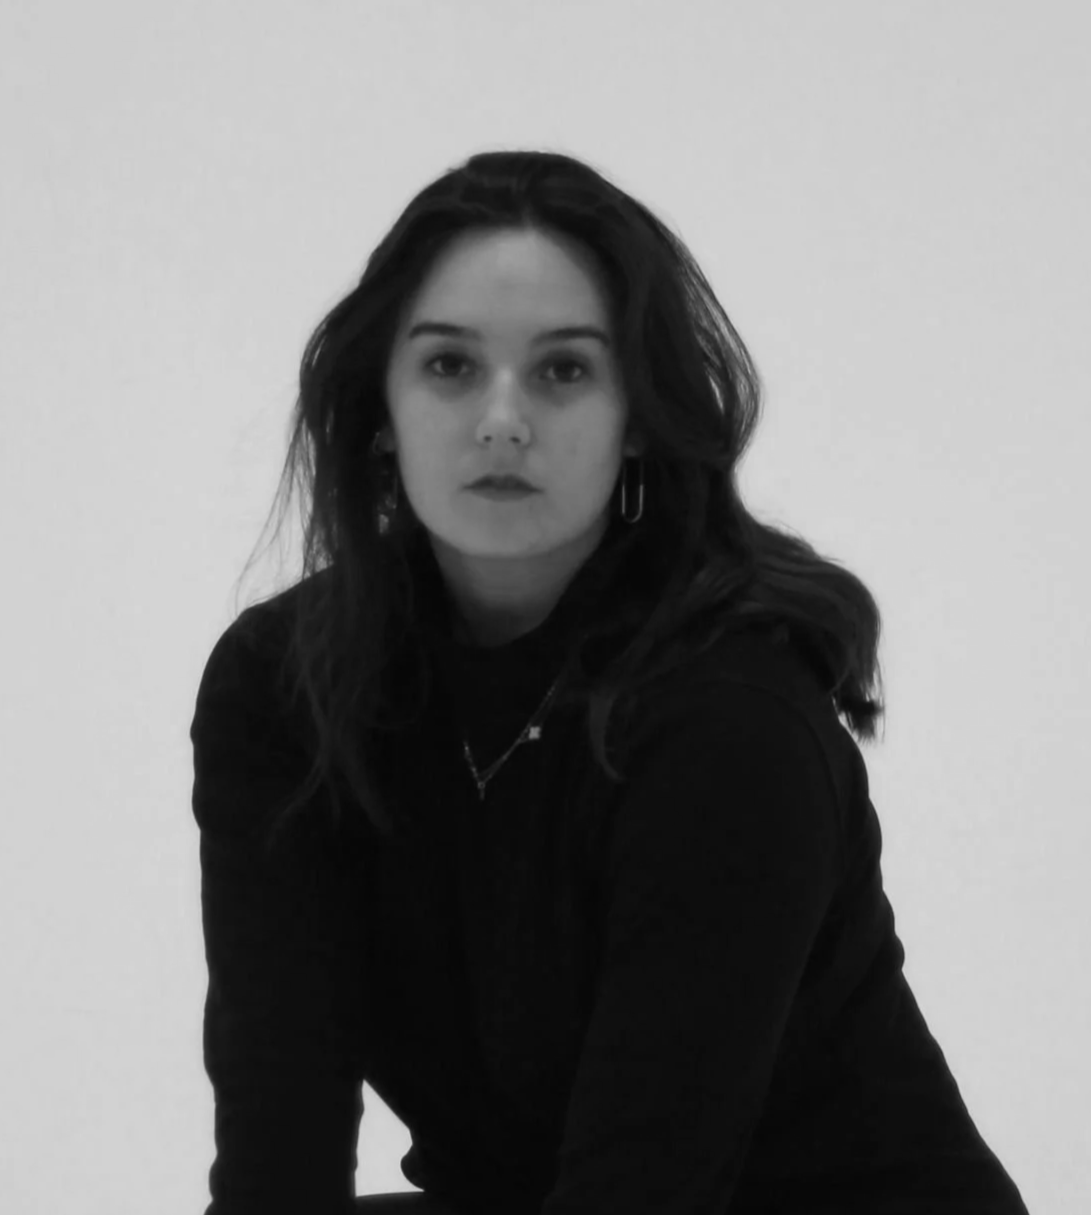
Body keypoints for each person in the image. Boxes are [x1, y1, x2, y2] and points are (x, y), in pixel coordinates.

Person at [190, 149, 1030, 1215]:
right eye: (449, 366)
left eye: (562, 371)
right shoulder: (286, 689)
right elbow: (279, 1149)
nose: (502, 419)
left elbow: (641, 1186)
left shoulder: (729, 727)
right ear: (379, 406)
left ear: (636, 415)